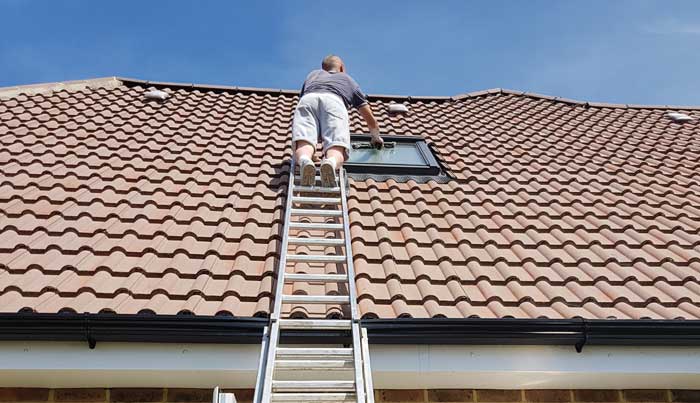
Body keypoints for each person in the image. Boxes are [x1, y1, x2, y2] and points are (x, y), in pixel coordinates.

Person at [292, 54, 383, 187]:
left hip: (307, 100)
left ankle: (305, 161)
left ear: (323, 68)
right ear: (341, 68)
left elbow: (305, 97)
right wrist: (376, 137)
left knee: (304, 139)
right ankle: (330, 162)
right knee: (336, 143)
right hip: (334, 102)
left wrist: (312, 156)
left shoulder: (313, 75)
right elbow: (369, 117)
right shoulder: (347, 79)